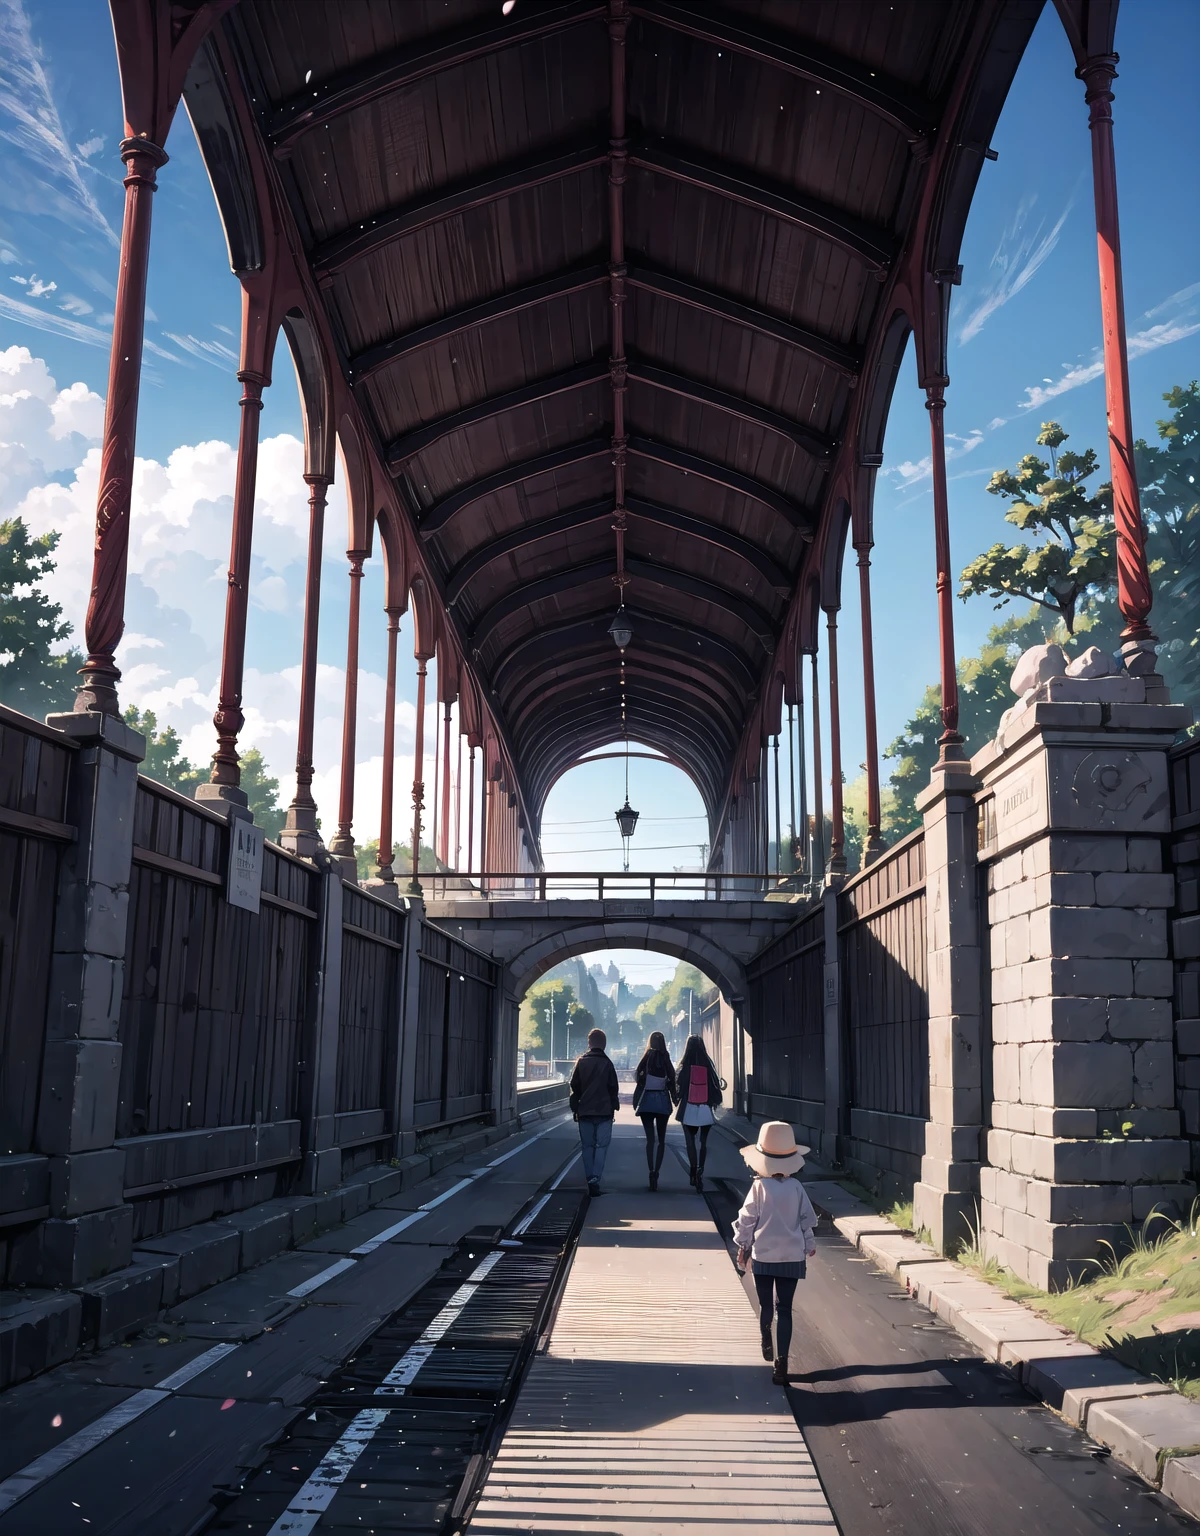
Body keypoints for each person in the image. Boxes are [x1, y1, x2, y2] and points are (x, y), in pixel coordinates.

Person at [731, 1122, 816, 1385]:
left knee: (766, 1304)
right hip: (791, 1257)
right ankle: (782, 1365)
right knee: (786, 1309)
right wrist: (809, 1243)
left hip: (763, 1256)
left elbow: (747, 1221)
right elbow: (806, 1220)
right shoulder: (797, 1188)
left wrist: (742, 1246)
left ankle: (765, 1333)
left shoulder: (758, 1188)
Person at [569, 1027, 620, 1197]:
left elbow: (574, 1086)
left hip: (585, 1111)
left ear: (589, 1043)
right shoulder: (607, 1063)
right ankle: (595, 1179)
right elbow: (613, 1088)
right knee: (601, 1146)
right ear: (604, 1044)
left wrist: (576, 1107)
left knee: (587, 1146)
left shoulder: (581, 1062)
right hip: (604, 1112)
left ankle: (589, 1175)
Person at [674, 1034, 722, 1190]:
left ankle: (692, 1171)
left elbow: (679, 1089)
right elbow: (716, 1088)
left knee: (690, 1142)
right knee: (703, 1142)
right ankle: (701, 1169)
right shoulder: (708, 1066)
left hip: (688, 1108)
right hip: (705, 1109)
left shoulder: (685, 1067)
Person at [632, 1030, 677, 1191]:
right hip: (662, 1101)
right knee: (661, 1140)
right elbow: (672, 1077)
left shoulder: (647, 1057)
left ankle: (650, 1169)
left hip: (647, 1102)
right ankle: (657, 1171)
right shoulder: (665, 1057)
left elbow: (637, 1076)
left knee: (650, 1139)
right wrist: (674, 1097)